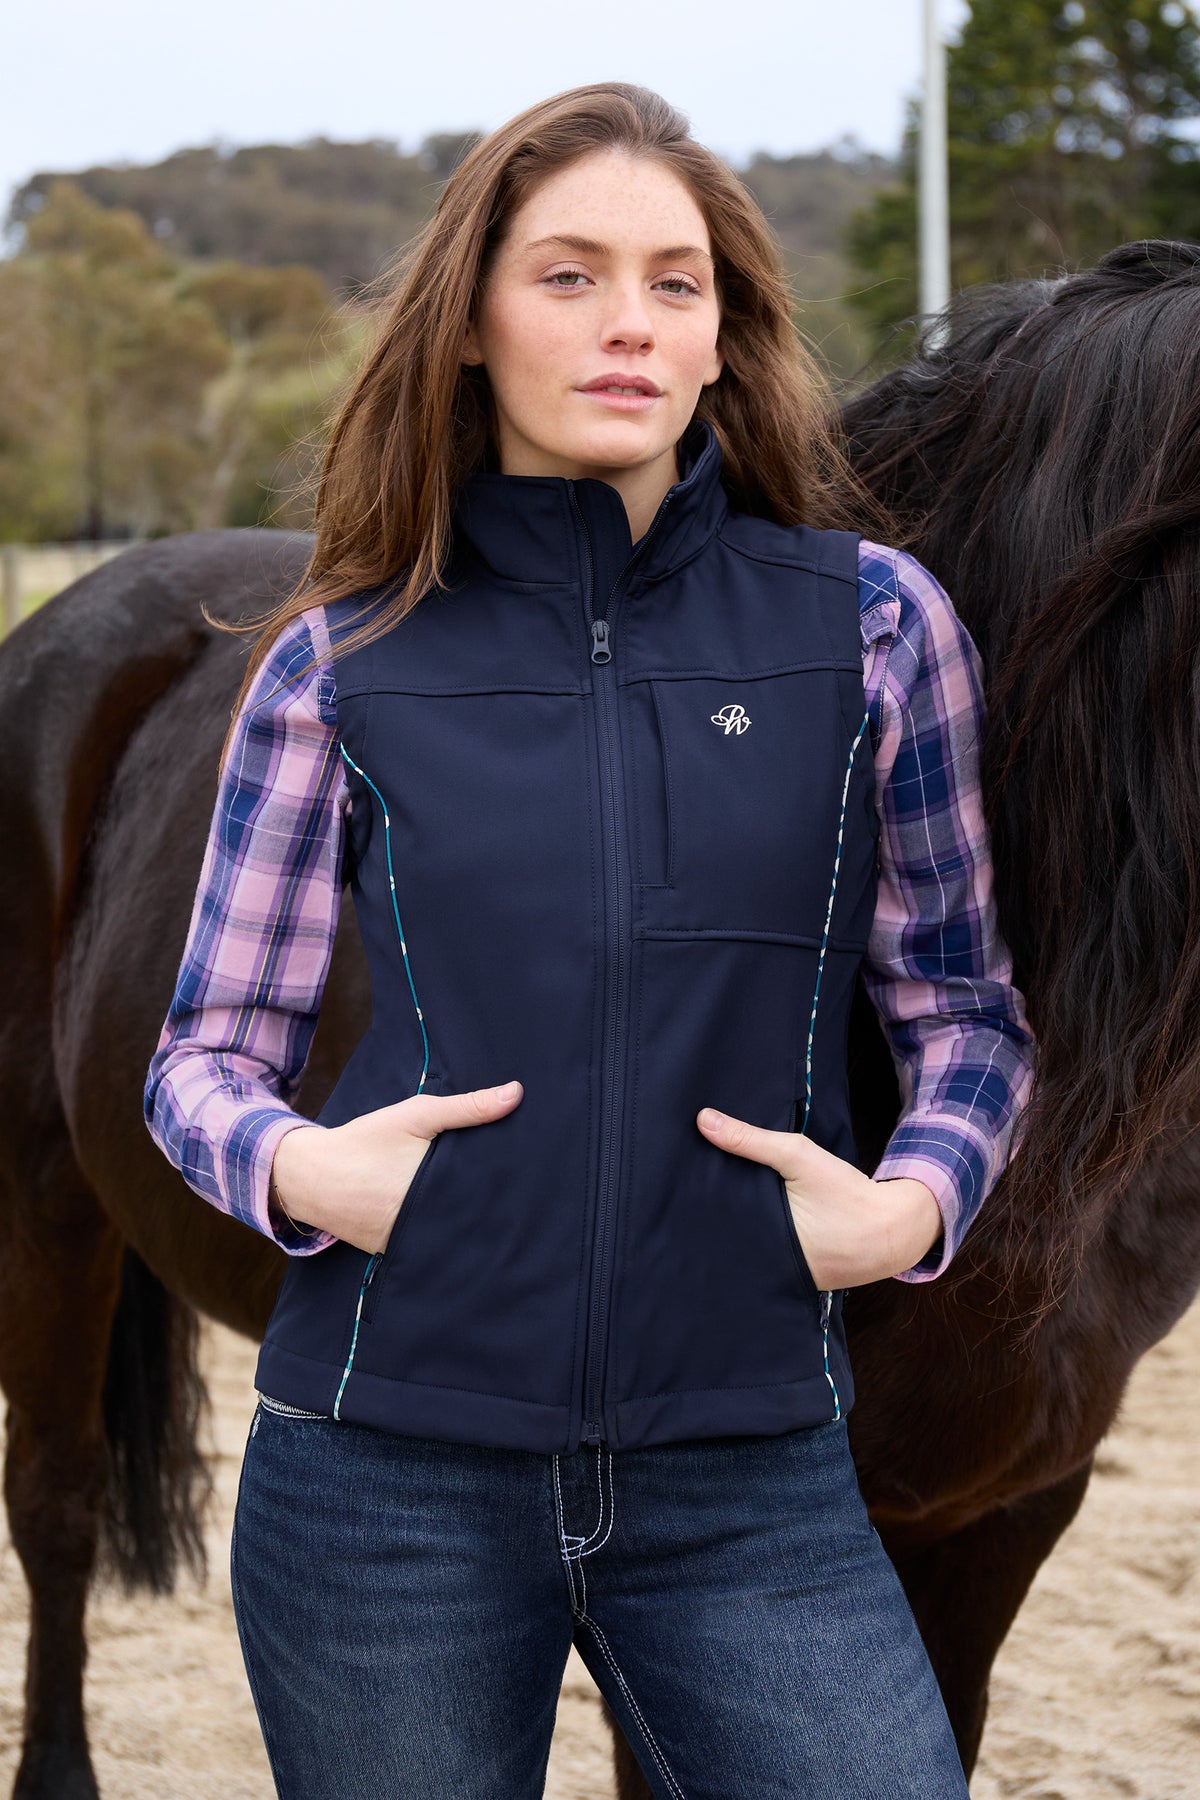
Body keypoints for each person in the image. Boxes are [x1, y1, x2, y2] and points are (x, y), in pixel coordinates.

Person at [144, 82, 1033, 1800]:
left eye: (674, 284)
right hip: (383, 1477)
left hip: (749, 1475)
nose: (630, 322)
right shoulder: (339, 663)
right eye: (569, 275)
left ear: (721, 338)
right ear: (472, 323)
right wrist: (301, 1171)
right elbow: (203, 1056)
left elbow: (966, 1013)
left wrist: (913, 1206)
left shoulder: (873, 629)